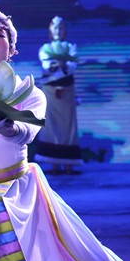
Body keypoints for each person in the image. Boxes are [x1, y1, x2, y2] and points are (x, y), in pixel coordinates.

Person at [0, 7, 130, 261]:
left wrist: (6, 125)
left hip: (15, 188)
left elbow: (27, 133)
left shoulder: (29, 92)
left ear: (12, 49)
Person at [35, 16, 82, 175]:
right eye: (55, 28)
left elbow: (72, 66)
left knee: (68, 126)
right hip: (50, 92)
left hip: (67, 90)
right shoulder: (45, 48)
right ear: (50, 31)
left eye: (61, 28)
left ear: (65, 31)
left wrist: (62, 65)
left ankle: (69, 165)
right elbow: (46, 66)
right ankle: (54, 164)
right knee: (52, 125)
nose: (58, 31)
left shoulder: (70, 48)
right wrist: (60, 65)